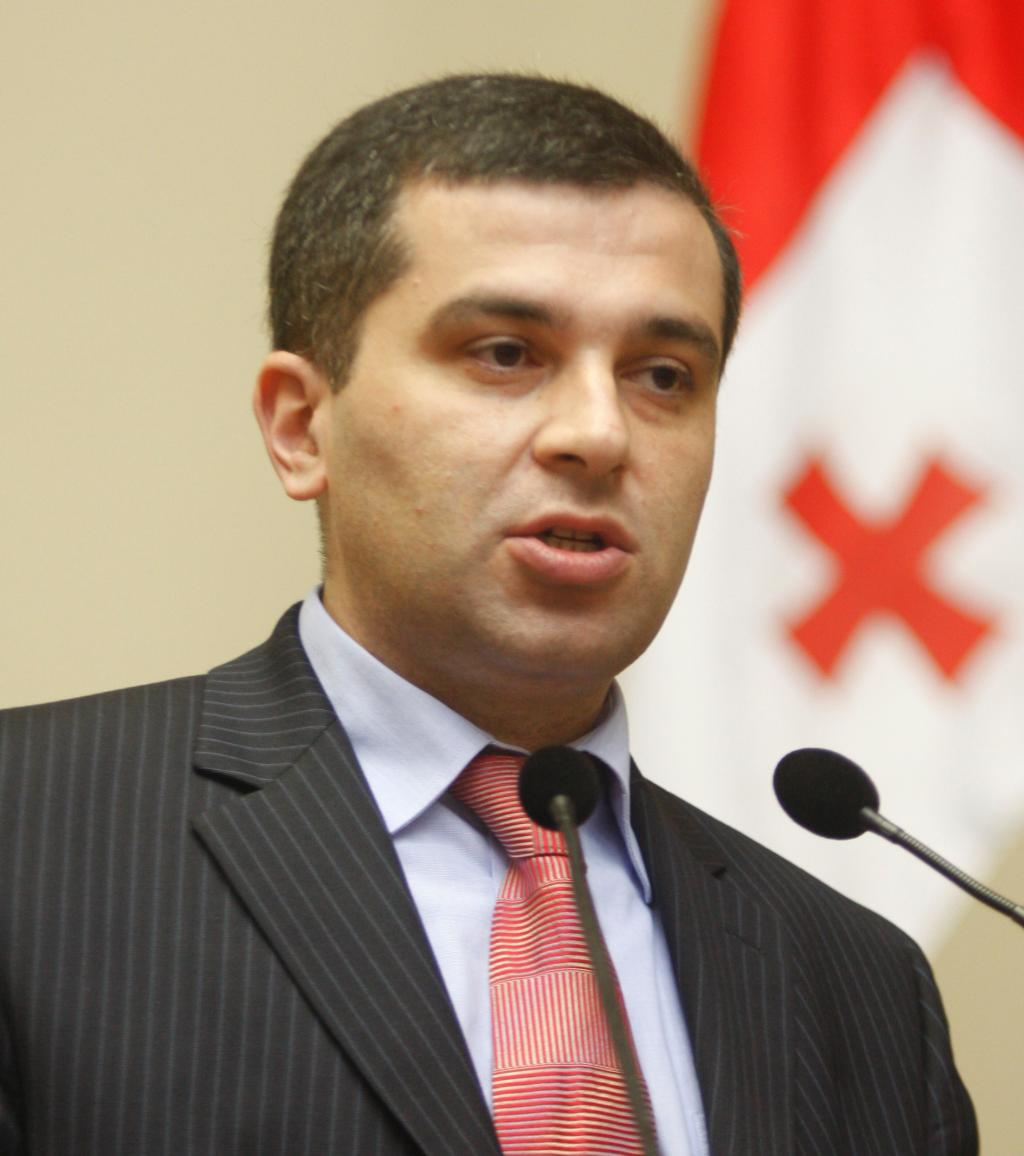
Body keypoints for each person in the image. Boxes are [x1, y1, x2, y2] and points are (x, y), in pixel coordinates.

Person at [0, 74, 976, 1155]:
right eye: (506, 354)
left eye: (662, 375)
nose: (599, 434)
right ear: (301, 426)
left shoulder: (862, 988)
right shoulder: (29, 837)